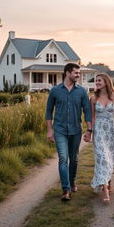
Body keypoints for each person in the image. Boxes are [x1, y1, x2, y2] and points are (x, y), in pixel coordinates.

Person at [46, 63, 92, 201]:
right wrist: (49, 130)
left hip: (76, 131)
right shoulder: (55, 90)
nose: (78, 75)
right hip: (59, 130)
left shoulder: (82, 91)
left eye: (79, 73)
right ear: (67, 73)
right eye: (76, 73)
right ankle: (66, 190)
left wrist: (89, 129)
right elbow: (49, 111)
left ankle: (72, 181)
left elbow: (87, 111)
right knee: (63, 158)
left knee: (74, 159)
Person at [89, 73, 114, 204]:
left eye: (99, 80)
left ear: (106, 82)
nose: (96, 82)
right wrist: (90, 132)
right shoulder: (93, 98)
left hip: (112, 130)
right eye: (96, 81)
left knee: (111, 157)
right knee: (102, 158)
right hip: (99, 130)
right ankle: (105, 190)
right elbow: (92, 117)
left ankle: (107, 181)